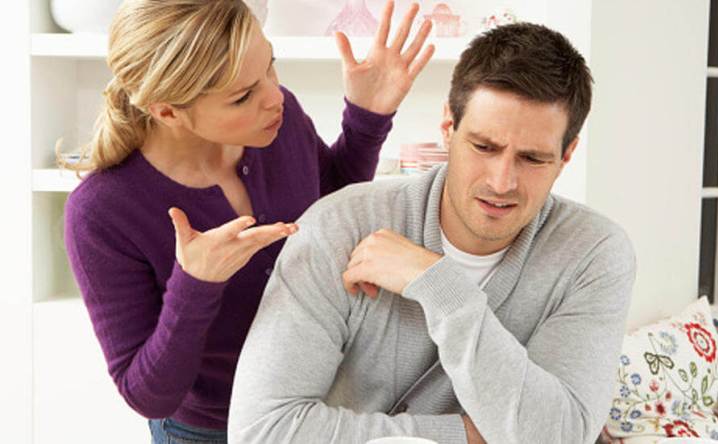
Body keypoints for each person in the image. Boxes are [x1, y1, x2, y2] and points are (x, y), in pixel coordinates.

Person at [228, 22, 637, 444]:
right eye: (484, 147)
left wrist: (440, 286)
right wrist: (466, 435)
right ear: (448, 126)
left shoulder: (593, 253)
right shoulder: (339, 226)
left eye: (532, 159)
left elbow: (560, 436)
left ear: (567, 154)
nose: (502, 182)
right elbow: (260, 432)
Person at [62, 0, 435, 442]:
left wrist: (367, 118)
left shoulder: (281, 120)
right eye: (242, 96)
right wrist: (196, 284)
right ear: (167, 111)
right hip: (212, 431)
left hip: (322, 405)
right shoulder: (102, 211)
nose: (274, 96)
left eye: (270, 66)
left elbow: (329, 206)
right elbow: (149, 395)